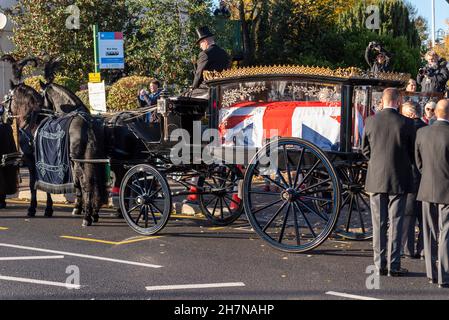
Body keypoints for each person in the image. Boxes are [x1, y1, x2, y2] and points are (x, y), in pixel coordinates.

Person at [362, 88, 416, 277]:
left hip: (376, 178)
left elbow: (365, 150)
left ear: (382, 101)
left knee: (379, 223)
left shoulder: (370, 121)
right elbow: (412, 153)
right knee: (396, 222)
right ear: (398, 101)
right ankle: (394, 265)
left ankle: (379, 264)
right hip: (399, 177)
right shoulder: (407, 123)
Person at [415, 99, 449, 288]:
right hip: (447, 188)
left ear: (436, 112)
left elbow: (419, 163)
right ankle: (444, 275)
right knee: (445, 232)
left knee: (428, 233)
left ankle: (431, 273)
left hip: (427, 187)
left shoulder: (422, 132)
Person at [400, 102, 426, 259]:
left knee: (408, 215)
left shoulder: (405, 129)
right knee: (424, 217)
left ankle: (408, 248)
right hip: (426, 177)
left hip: (409, 174)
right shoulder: (427, 129)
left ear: (409, 114)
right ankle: (423, 248)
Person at [0, 107, 18, 209]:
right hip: (7, 156)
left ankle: (2, 200)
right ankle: (2, 200)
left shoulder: (5, 128)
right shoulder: (6, 127)